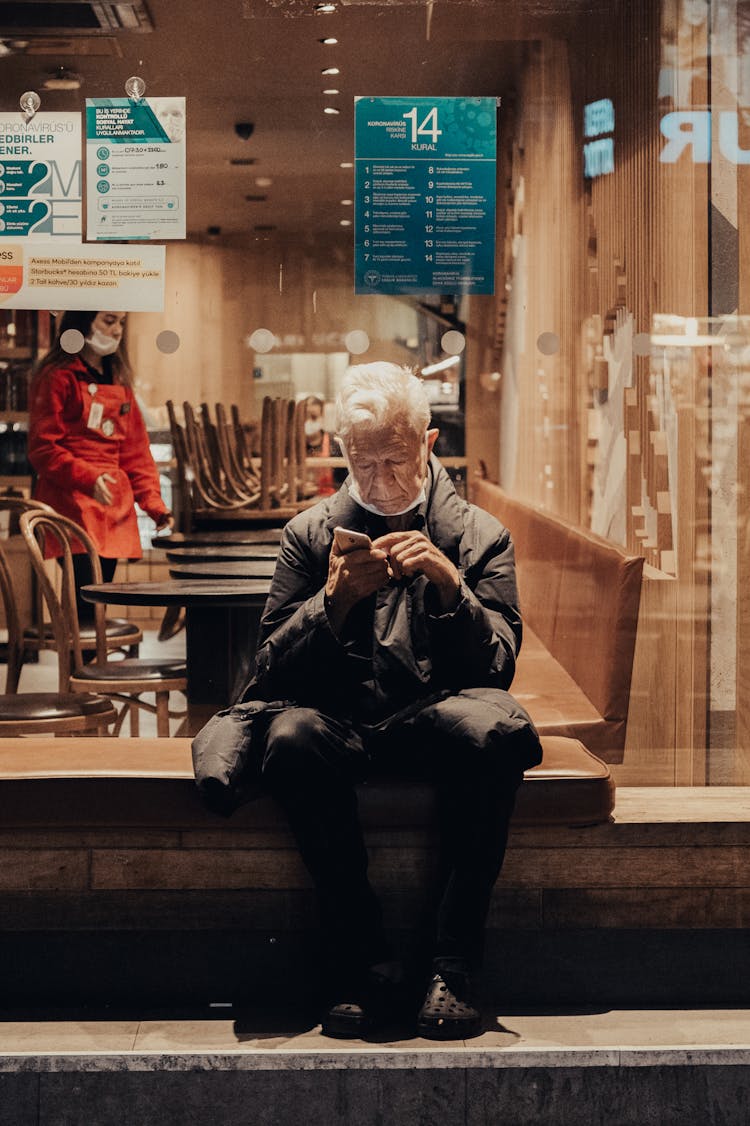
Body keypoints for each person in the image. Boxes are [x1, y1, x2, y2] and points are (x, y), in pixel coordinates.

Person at [199, 362, 542, 1040]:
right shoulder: (309, 533)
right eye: (362, 460)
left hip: (433, 717)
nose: (380, 478)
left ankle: (454, 963)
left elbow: (498, 666)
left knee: (493, 737)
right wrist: (333, 604)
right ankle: (360, 958)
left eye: (395, 458)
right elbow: (266, 668)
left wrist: (451, 589)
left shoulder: (479, 535)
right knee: (290, 737)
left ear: (429, 441)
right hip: (340, 722)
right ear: (343, 452)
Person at [28, 311, 173, 618]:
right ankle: (83, 664)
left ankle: (85, 663)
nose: (117, 330)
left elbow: (136, 452)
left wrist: (154, 505)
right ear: (82, 322)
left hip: (113, 508)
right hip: (70, 506)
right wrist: (88, 478)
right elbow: (43, 448)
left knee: (96, 604)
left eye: (121, 322)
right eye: (109, 321)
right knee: (86, 605)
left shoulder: (119, 379)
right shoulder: (56, 375)